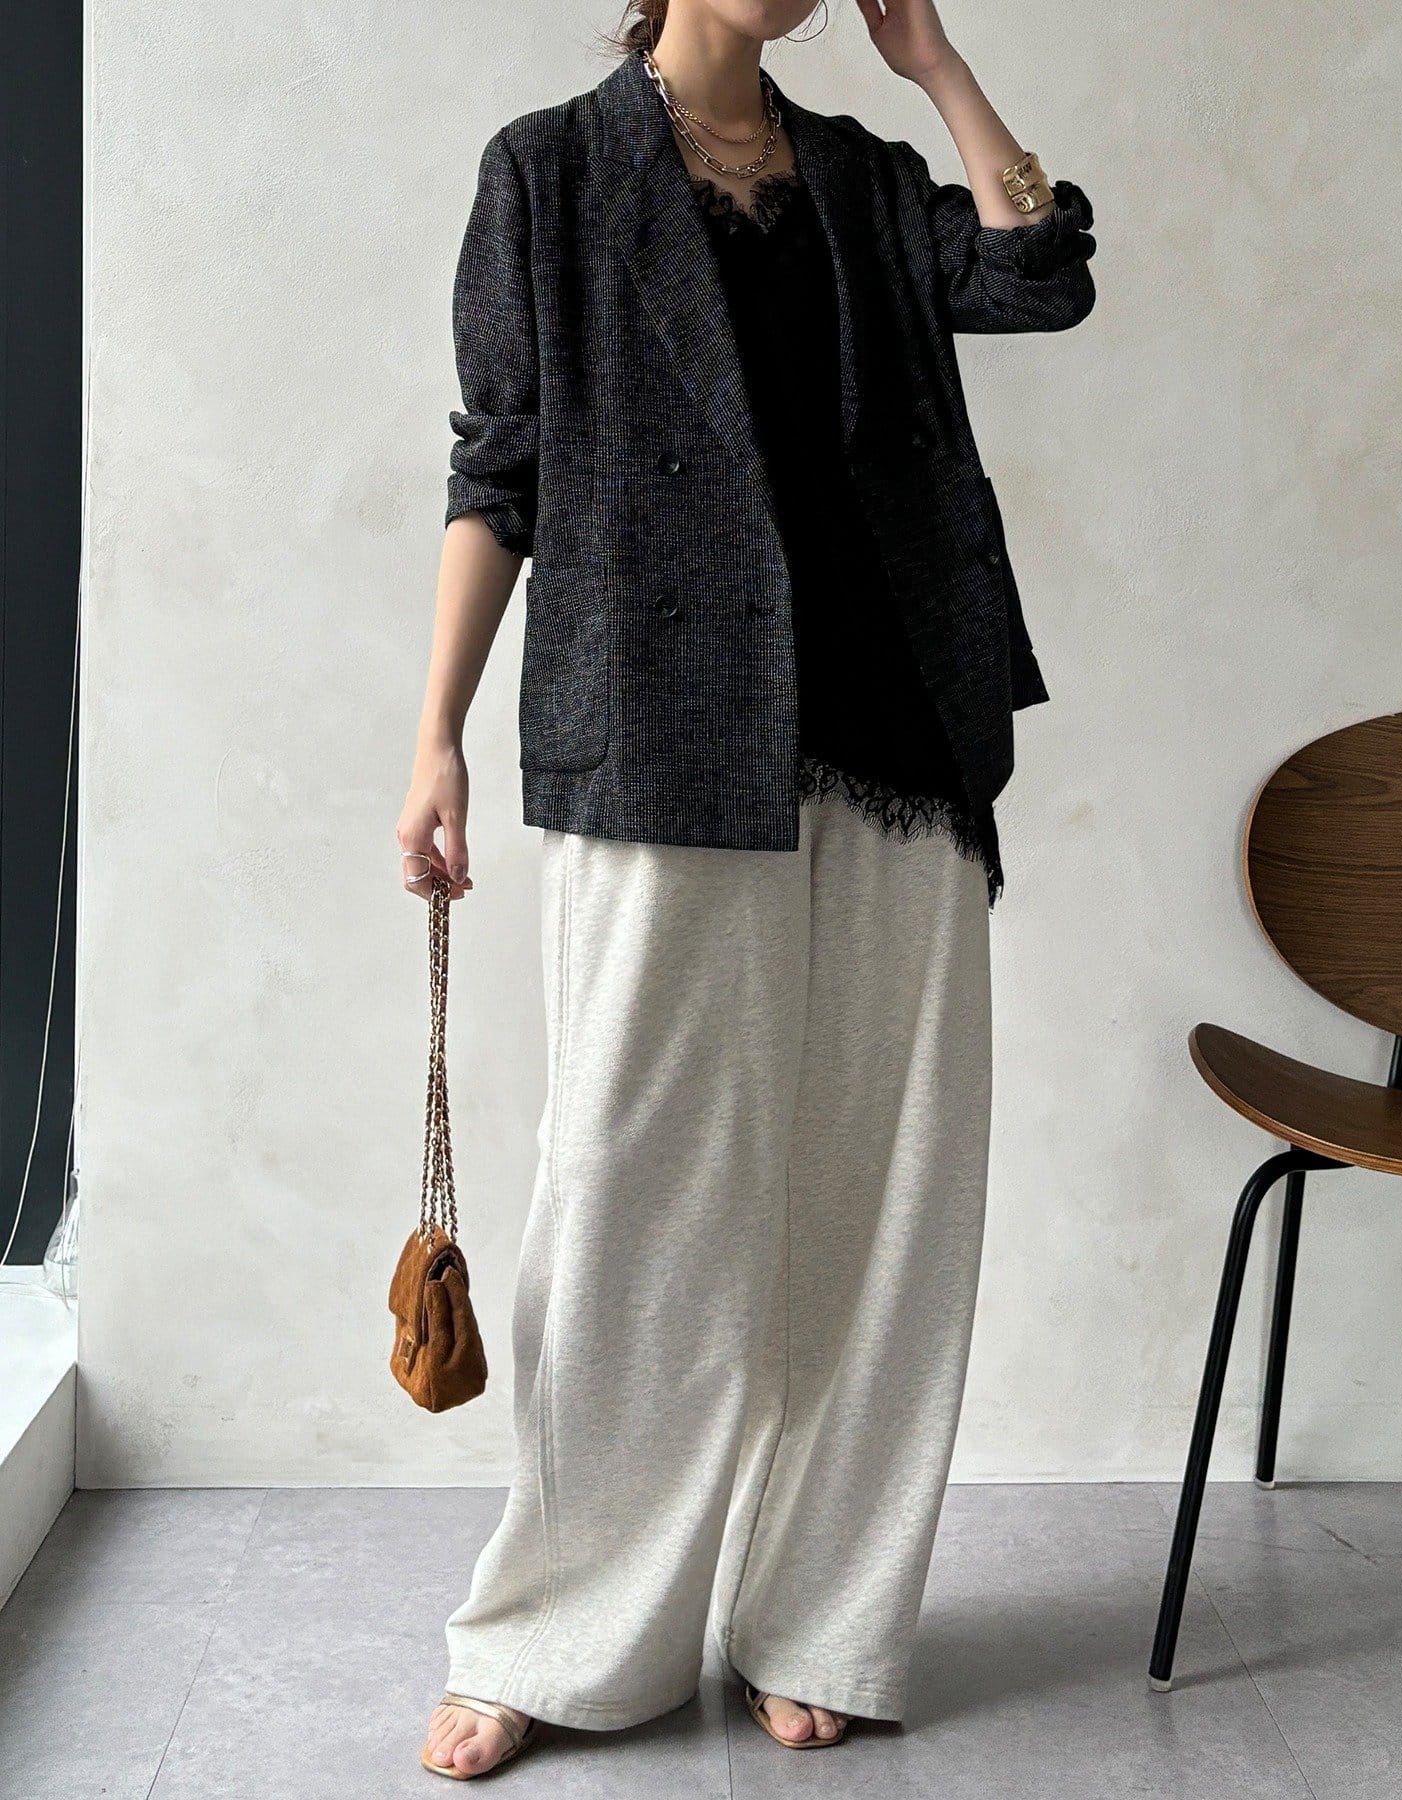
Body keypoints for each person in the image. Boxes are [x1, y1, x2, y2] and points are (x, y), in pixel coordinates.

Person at [400, 0, 1095, 1777]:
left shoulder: (859, 173)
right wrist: (437, 737)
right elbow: (500, 465)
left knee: (878, 1197)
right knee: (631, 1200)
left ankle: (819, 1613)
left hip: (895, 728)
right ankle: (561, 1632)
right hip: (662, 726)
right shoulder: (550, 173)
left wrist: (933, 63)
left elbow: (1039, 279)